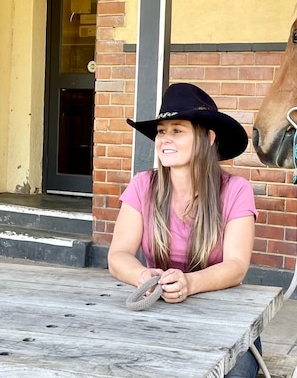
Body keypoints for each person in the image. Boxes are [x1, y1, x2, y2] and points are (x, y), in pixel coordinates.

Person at [108, 83, 260, 378]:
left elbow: (237, 267)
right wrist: (141, 275)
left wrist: (189, 283)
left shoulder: (236, 191)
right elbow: (118, 255)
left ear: (208, 138)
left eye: (177, 130)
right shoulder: (142, 185)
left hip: (222, 320)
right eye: (161, 131)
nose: (165, 138)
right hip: (157, 316)